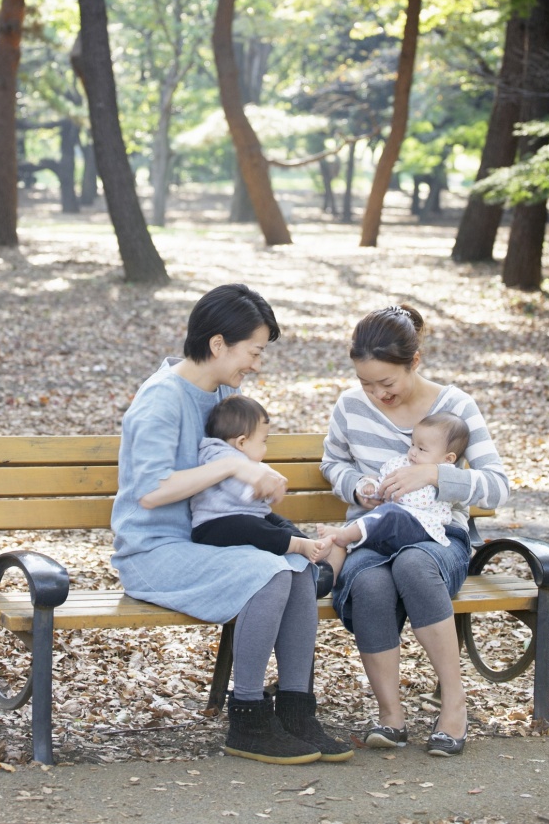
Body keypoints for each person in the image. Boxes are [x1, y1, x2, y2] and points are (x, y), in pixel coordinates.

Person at [112, 284, 353, 765]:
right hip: (154, 552)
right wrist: (231, 467)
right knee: (270, 570)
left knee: (297, 565)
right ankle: (246, 718)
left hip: (207, 543)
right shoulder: (161, 399)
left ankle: (297, 710)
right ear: (218, 344)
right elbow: (152, 491)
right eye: (254, 351)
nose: (257, 364)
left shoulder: (222, 393)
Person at [321, 304, 510, 757]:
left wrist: (435, 477)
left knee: (413, 563)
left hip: (437, 536)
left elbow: (498, 488)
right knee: (367, 581)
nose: (376, 394)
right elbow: (333, 463)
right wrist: (360, 487)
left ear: (415, 362)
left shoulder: (456, 406)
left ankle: (453, 705)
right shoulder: (350, 406)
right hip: (371, 533)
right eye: (366, 382)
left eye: (387, 382)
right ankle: (391, 716)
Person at [190, 395, 342, 570]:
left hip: (243, 517)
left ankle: (310, 549)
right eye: (263, 441)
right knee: (252, 526)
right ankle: (299, 546)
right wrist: (264, 489)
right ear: (241, 442)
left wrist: (275, 482)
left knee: (278, 522)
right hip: (213, 527)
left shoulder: (243, 460)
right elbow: (239, 488)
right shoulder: (219, 456)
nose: (265, 448)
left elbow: (262, 476)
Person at [318, 411, 470, 567]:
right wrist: (368, 487)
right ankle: (332, 566)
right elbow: (383, 483)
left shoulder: (448, 475)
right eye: (412, 444)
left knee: (389, 513)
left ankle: (345, 537)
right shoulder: (401, 464)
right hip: (392, 527)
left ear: (448, 458)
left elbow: (463, 491)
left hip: (425, 529)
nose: (413, 452)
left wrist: (433, 476)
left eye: (422, 449)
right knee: (379, 518)